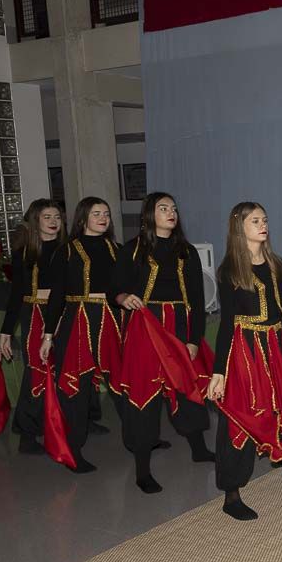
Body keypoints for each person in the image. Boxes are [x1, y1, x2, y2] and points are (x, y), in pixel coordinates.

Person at [206, 202, 282, 521]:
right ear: (239, 228)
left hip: (276, 344)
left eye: (264, 219)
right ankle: (231, 493)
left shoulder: (275, 265)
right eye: (255, 220)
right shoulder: (230, 270)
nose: (262, 224)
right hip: (244, 349)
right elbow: (227, 322)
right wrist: (219, 372)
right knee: (241, 414)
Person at [110, 193, 215, 494]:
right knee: (146, 396)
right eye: (163, 208)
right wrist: (122, 298)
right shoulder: (132, 250)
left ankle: (198, 449)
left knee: (189, 389)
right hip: (146, 327)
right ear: (149, 215)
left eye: (174, 208)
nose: (171, 212)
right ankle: (143, 469)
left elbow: (196, 299)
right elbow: (114, 290)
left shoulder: (187, 252)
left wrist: (194, 339)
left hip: (180, 326)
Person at [39, 197, 123, 473]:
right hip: (78, 322)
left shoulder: (117, 249)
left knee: (124, 382)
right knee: (76, 390)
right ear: (83, 218)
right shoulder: (66, 251)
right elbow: (56, 297)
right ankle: (72, 451)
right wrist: (48, 335)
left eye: (107, 213)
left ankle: (141, 439)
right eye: (96, 213)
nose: (103, 217)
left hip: (112, 321)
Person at [0, 199, 65, 454]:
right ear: (35, 220)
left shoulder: (67, 250)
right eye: (47, 217)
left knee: (62, 369)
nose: (53, 222)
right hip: (35, 313)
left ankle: (58, 422)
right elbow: (15, 294)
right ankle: (27, 434)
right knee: (36, 370)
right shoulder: (24, 252)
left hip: (63, 313)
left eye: (57, 217)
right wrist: (5, 332)